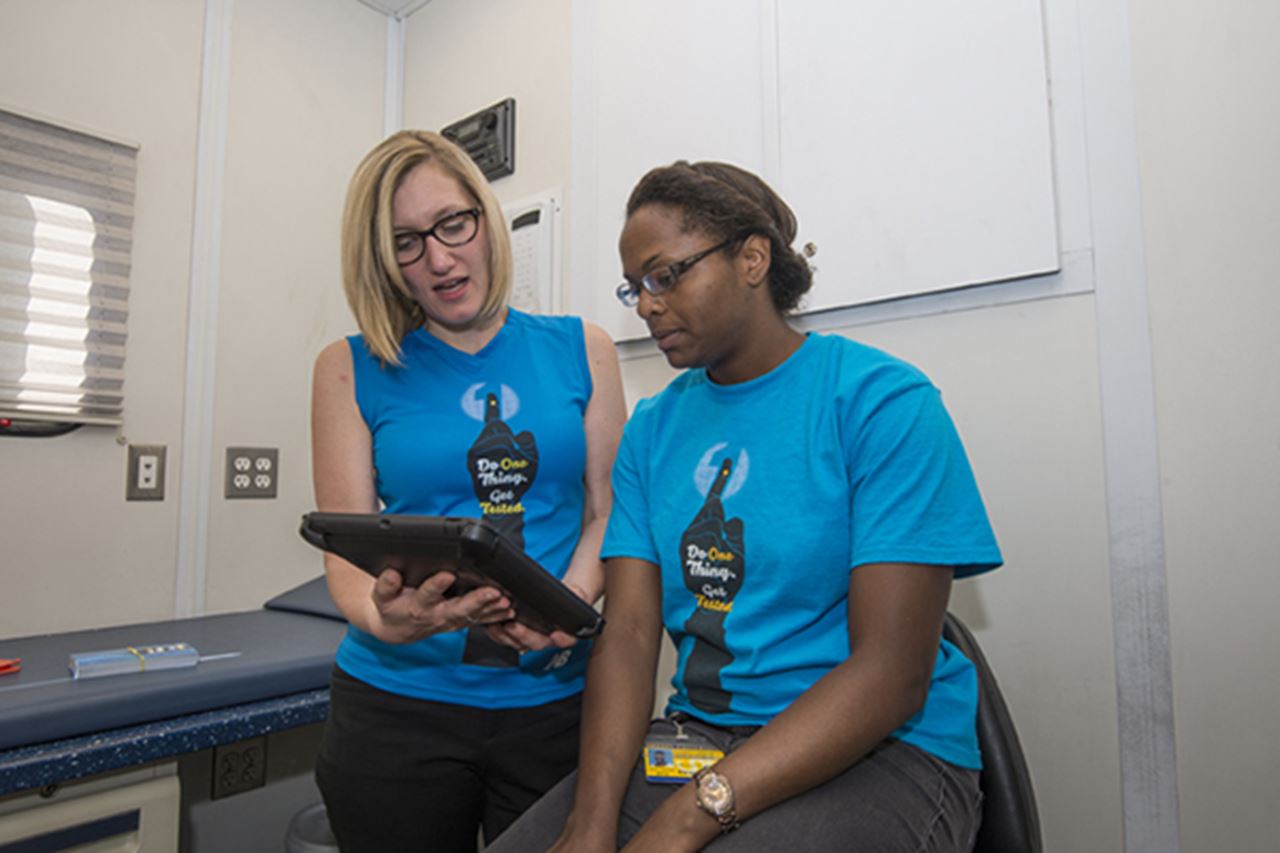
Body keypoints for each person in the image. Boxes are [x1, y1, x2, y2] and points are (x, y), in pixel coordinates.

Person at [486, 161, 1003, 852]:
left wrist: (687, 817)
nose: (645, 304)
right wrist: (591, 820)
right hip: (702, 736)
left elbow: (892, 673)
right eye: (634, 286)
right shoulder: (652, 430)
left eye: (665, 275)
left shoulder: (883, 404)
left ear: (752, 258)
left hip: (886, 747)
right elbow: (632, 635)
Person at [310, 130, 625, 853]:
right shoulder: (346, 367)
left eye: (454, 223)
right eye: (408, 242)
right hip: (396, 709)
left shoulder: (585, 348)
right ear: (385, 262)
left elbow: (610, 511)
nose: (441, 257)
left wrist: (563, 610)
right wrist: (386, 619)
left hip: (557, 704)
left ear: (487, 219)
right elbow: (345, 549)